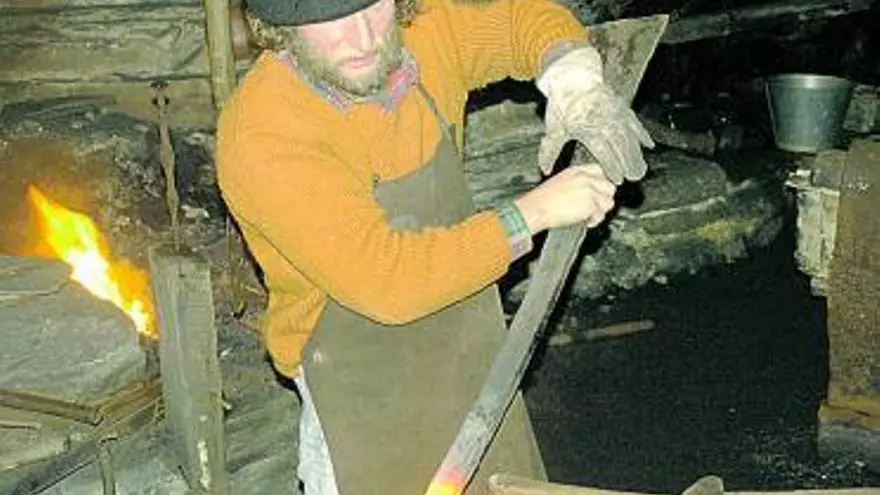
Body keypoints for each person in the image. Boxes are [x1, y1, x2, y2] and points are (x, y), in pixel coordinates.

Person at [215, 0, 653, 493]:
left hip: (464, 338)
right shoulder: (263, 133)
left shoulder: (422, 36)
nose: (363, 39)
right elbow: (386, 281)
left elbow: (523, 21)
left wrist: (576, 84)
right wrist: (532, 214)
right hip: (358, 385)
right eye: (330, 21)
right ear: (280, 26)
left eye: (374, 8)